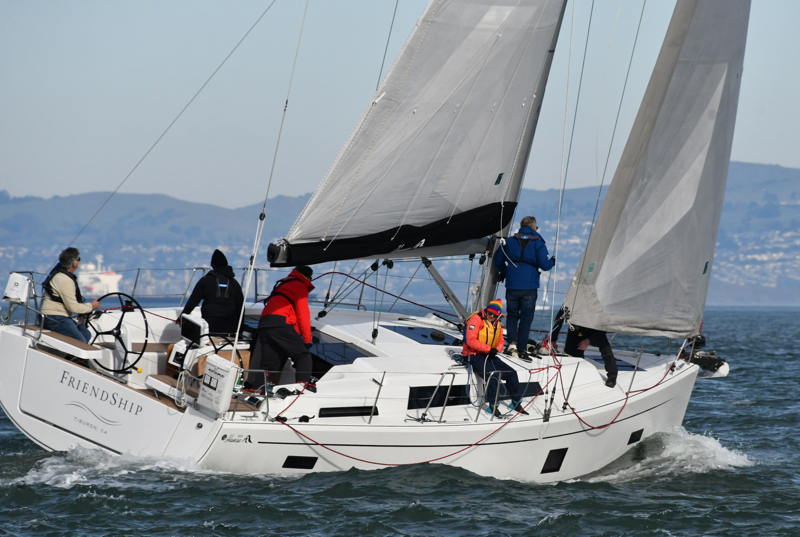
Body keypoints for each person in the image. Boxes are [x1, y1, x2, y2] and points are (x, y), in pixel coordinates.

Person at [493, 216, 555, 361]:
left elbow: (497, 260)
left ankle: (511, 345)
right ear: (534, 227)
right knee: (526, 318)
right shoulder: (538, 243)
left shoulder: (510, 241)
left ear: (521, 226)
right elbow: (545, 265)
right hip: (529, 287)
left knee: (512, 316)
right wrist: (552, 261)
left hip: (512, 285)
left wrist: (505, 271)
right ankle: (521, 349)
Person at [246, 265, 315, 391]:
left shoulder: (284, 284)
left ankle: (259, 391)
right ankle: (302, 389)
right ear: (307, 277)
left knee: (270, 364)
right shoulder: (300, 285)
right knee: (303, 356)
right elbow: (303, 314)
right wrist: (306, 339)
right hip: (279, 322)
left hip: (265, 323)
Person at [462, 299, 529, 418]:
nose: (491, 316)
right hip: (474, 355)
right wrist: (489, 349)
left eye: (494, 315)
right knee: (493, 376)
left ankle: (516, 402)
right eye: (489, 313)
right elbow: (470, 340)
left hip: (489, 354)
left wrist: (496, 350)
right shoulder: (476, 319)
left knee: (512, 373)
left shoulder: (497, 323)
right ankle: (492, 406)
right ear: (486, 311)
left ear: (498, 316)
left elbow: (501, 341)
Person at [40, 247, 100, 343]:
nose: (79, 262)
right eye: (79, 259)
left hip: (55, 316)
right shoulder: (65, 280)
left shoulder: (59, 275)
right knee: (80, 342)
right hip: (54, 317)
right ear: (74, 263)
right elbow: (73, 307)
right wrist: (91, 306)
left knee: (86, 334)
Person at [548, 307, 618, 388]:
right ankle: (577, 371)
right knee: (570, 354)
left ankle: (612, 376)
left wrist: (589, 340)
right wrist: (553, 339)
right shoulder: (572, 302)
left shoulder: (600, 305)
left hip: (595, 330)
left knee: (605, 346)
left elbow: (605, 327)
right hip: (578, 329)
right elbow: (560, 318)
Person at [181, 249, 244, 335]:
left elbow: (193, 301)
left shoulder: (205, 281)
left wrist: (181, 318)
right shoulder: (235, 283)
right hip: (230, 328)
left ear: (212, 265)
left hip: (210, 327)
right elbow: (241, 306)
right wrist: (240, 329)